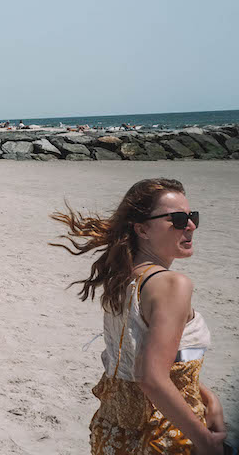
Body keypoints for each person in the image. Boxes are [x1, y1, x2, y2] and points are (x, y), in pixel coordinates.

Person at [52, 178, 228, 455]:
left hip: (113, 430)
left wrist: (208, 396)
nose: (191, 226)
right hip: (166, 433)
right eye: (178, 219)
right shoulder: (172, 285)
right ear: (142, 229)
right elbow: (150, 376)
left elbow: (155, 358)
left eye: (192, 216)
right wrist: (206, 441)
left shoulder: (122, 278)